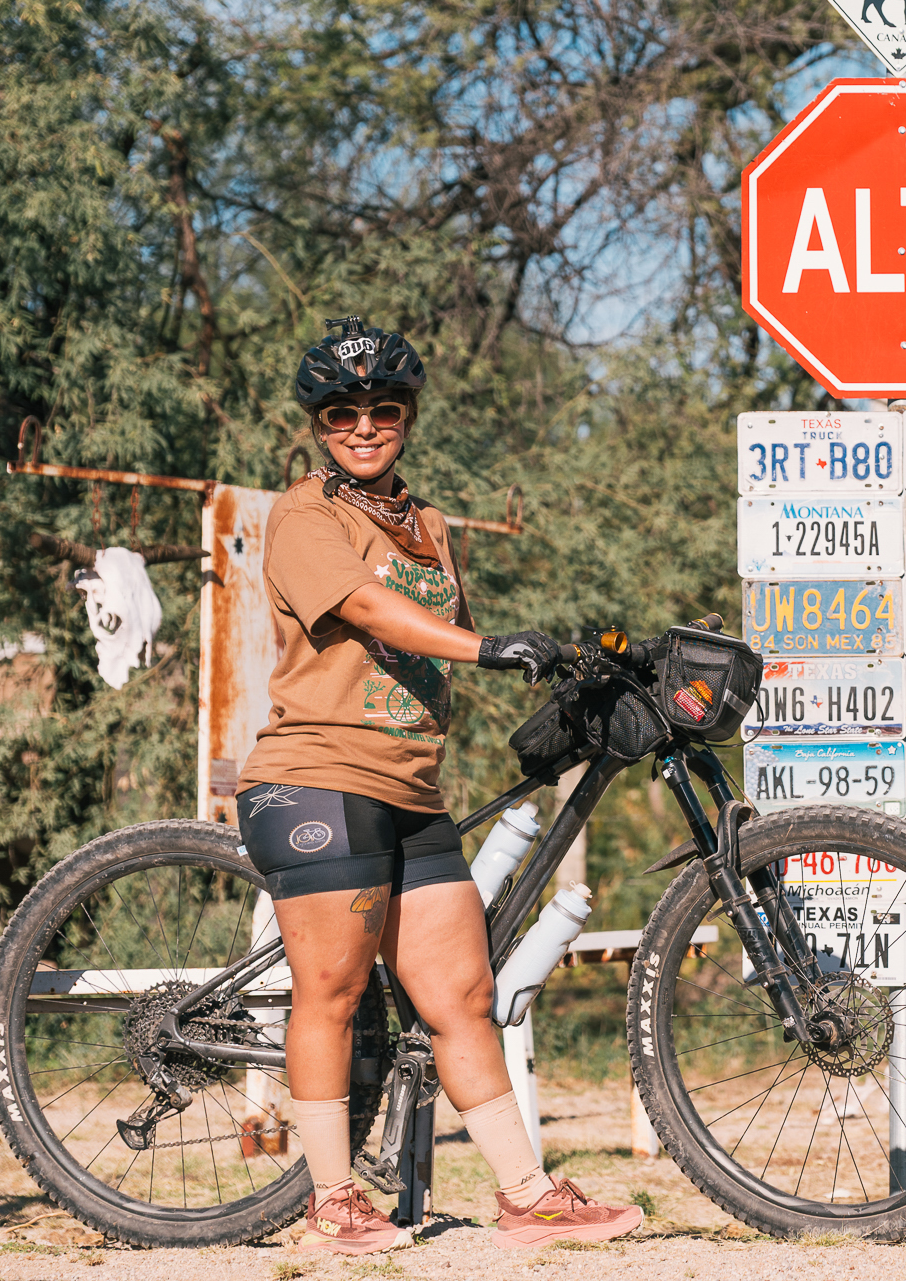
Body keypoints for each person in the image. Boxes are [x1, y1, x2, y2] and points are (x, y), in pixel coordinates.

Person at [234, 317, 643, 1255]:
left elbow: (445, 643)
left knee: (459, 993)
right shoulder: (304, 515)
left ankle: (528, 1195)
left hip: (411, 787)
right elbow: (372, 610)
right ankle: (331, 1200)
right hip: (316, 777)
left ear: (407, 415)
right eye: (343, 412)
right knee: (331, 988)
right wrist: (495, 645)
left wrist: (555, 675)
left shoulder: (429, 527)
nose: (364, 426)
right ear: (320, 423)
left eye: (382, 409)